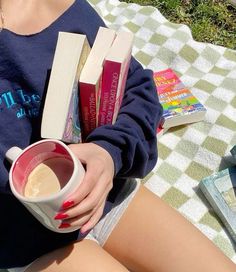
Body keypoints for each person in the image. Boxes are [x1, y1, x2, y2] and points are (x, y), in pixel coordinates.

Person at [0, 1, 235, 271]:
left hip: (110, 194)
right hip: (24, 240)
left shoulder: (59, 8)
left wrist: (108, 152)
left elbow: (135, 88)